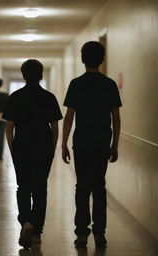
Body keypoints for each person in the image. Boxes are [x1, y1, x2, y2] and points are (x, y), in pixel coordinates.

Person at [62, 41, 122, 248]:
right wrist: (115, 145)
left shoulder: (76, 84)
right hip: (101, 143)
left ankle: (81, 233)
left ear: (82, 59)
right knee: (99, 187)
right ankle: (99, 233)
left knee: (82, 187)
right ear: (102, 59)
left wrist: (63, 143)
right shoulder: (109, 84)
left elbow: (69, 117)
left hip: (81, 144)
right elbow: (116, 118)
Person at [2, 59, 63, 249]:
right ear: (41, 75)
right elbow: (54, 127)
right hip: (43, 147)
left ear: (23, 75)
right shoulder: (49, 97)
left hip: (22, 147)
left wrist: (13, 149)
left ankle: (26, 221)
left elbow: (9, 127)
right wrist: (52, 149)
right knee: (40, 189)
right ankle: (37, 230)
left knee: (23, 187)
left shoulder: (15, 97)